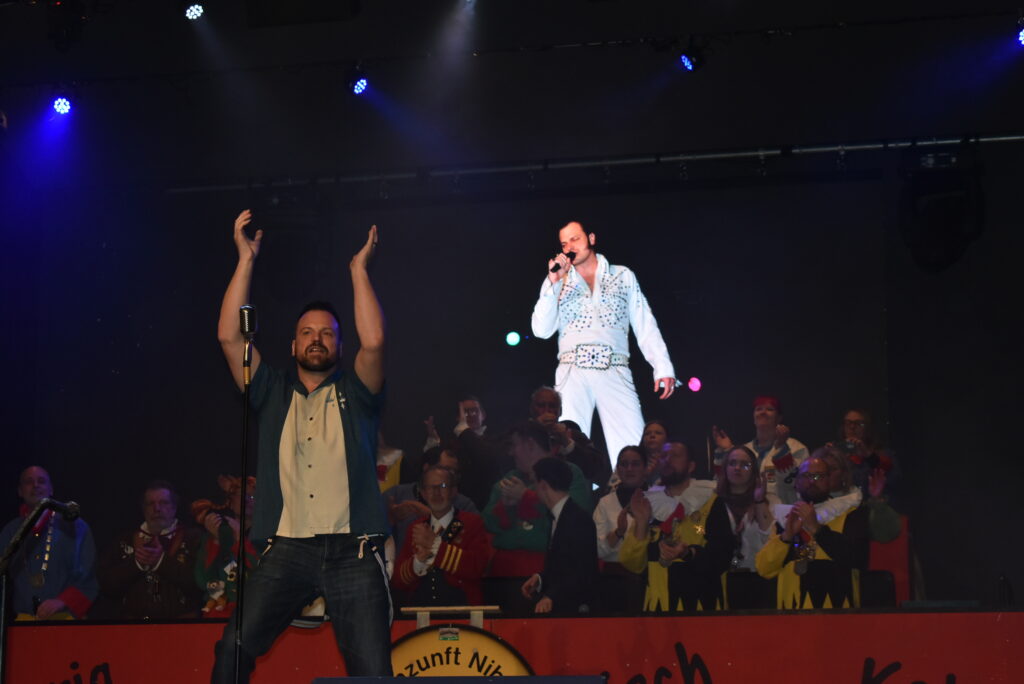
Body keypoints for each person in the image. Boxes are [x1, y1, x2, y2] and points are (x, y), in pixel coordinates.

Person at [210, 209, 392, 681]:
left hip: (353, 551)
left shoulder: (358, 392)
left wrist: (358, 270)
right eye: (307, 333)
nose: (317, 339)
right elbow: (228, 336)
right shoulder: (271, 391)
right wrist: (245, 260)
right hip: (287, 549)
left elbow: (374, 342)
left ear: (339, 346)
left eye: (327, 333)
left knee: (372, 670)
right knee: (232, 648)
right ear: (292, 346)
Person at [531, 221, 678, 467]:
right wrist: (553, 282)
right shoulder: (558, 281)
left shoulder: (622, 275)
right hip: (571, 370)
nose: (569, 247)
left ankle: (632, 490)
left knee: (632, 446)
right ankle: (575, 489)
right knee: (567, 443)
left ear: (591, 238)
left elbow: (644, 321)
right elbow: (541, 330)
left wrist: (662, 366)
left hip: (614, 367)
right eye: (564, 243)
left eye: (575, 239)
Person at [619, 446, 733, 613]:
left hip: (702, 607)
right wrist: (642, 523)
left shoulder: (710, 501)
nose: (668, 460)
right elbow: (632, 564)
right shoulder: (648, 503)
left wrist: (688, 553)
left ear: (691, 466)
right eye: (664, 455)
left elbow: (722, 556)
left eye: (675, 455)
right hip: (658, 608)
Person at [755, 455, 868, 609]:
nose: (812, 481)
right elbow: (764, 569)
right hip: (792, 612)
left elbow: (858, 559)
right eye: (806, 476)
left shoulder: (848, 513)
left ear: (829, 480)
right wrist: (786, 537)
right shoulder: (786, 518)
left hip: (837, 610)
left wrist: (817, 529)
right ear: (797, 482)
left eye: (818, 476)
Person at [482, 421, 592, 579]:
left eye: (514, 445)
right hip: (503, 573)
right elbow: (487, 524)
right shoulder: (510, 478)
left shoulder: (568, 472)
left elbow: (573, 521)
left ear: (530, 444)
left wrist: (526, 497)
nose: (510, 453)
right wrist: (505, 507)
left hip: (548, 573)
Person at [0, 466, 97, 620]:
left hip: (65, 620)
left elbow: (89, 578)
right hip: (23, 623)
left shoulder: (74, 526)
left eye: (41, 481)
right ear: (20, 491)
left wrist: (62, 601)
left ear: (51, 489)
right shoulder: (11, 531)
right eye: (29, 482)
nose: (35, 485)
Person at [98, 480, 202, 619]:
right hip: (133, 627)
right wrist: (136, 564)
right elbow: (106, 585)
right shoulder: (124, 541)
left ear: (174, 507)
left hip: (182, 626)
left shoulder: (194, 538)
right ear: (144, 509)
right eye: (150, 503)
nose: (157, 508)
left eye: (164, 503)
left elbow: (200, 584)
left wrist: (161, 562)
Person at [391, 466, 491, 606]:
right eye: (430, 488)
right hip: (420, 610)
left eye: (443, 486)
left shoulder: (472, 523)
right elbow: (398, 580)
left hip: (463, 610)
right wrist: (418, 562)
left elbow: (478, 568)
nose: (436, 493)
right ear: (423, 493)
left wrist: (436, 546)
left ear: (453, 491)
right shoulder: (416, 527)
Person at [520, 457, 598, 615]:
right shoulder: (560, 516)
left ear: (543, 485)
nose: (533, 488)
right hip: (563, 607)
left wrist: (552, 595)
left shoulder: (578, 519)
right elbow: (563, 566)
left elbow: (582, 570)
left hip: (575, 611)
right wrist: (540, 579)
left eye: (534, 482)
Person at [712, 395, 809, 504]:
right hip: (746, 510)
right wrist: (727, 452)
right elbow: (721, 484)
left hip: (782, 511)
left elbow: (794, 484)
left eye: (769, 409)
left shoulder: (797, 448)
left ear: (779, 418)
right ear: (753, 417)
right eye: (759, 409)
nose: (763, 412)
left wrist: (782, 449)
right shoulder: (744, 450)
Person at [383, 446, 478, 552]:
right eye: (445, 469)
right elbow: (373, 533)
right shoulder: (397, 494)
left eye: (455, 471)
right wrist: (390, 519)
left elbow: (471, 541)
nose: (452, 476)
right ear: (426, 468)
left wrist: (431, 516)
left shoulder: (464, 505)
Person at [716, 446, 775, 609]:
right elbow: (700, 532)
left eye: (745, 465)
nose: (737, 468)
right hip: (722, 578)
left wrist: (759, 502)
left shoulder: (769, 501)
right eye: (732, 463)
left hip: (759, 579)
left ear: (754, 471)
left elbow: (771, 538)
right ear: (725, 468)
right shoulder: (713, 502)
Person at [192, 475, 258, 617]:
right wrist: (216, 541)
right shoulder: (216, 533)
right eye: (241, 496)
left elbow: (258, 577)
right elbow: (203, 580)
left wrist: (239, 540)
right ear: (230, 502)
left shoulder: (268, 536)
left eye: (252, 497)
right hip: (218, 613)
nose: (246, 500)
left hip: (252, 614)